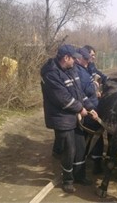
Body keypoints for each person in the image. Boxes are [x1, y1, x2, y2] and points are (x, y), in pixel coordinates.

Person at [40, 44, 97, 193]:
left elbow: (79, 92)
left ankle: (79, 176)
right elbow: (63, 99)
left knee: (80, 147)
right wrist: (80, 109)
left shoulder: (72, 70)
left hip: (74, 116)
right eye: (74, 59)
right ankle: (68, 180)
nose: (76, 61)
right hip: (61, 118)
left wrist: (91, 108)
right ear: (66, 58)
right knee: (69, 149)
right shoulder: (51, 74)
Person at [74, 47, 104, 175]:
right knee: (96, 134)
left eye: (88, 59)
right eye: (86, 59)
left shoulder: (85, 69)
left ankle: (85, 157)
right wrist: (90, 108)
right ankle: (94, 163)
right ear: (79, 58)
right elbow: (80, 92)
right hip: (88, 109)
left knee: (88, 135)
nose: (88, 62)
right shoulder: (78, 71)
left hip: (92, 105)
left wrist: (95, 89)